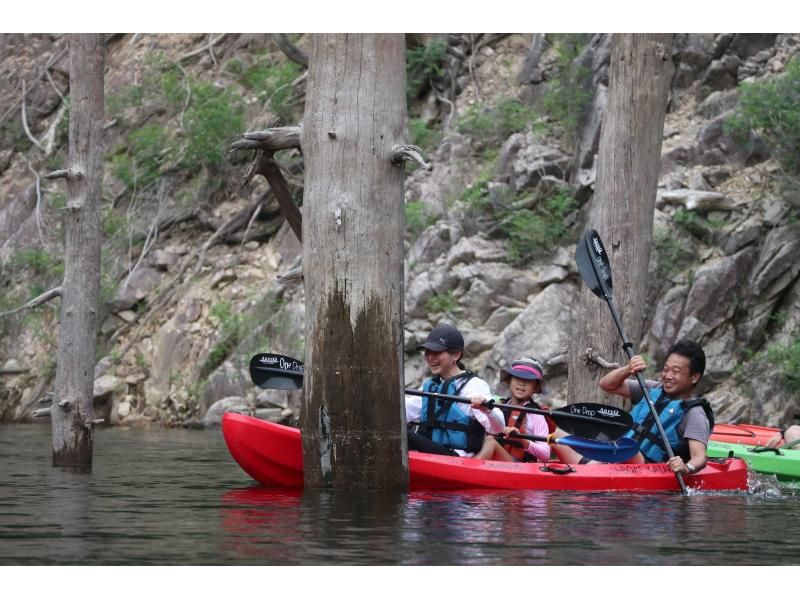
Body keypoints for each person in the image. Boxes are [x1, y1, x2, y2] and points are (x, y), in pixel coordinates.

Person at [553, 339, 713, 476]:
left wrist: (686, 467)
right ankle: (585, 468)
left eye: (676, 371)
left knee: (628, 448)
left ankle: (585, 474)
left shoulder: (694, 413)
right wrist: (628, 369)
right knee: (556, 432)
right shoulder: (650, 388)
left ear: (694, 377)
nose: (668, 375)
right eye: (666, 369)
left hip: (645, 467)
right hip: (611, 458)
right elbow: (606, 385)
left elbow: (699, 458)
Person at [406, 324, 505, 457]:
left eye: (436, 352)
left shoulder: (474, 385)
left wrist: (486, 408)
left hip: (456, 458)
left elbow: (498, 428)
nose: (430, 357)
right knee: (394, 428)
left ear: (456, 355)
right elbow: (403, 413)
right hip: (431, 451)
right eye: (428, 352)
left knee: (404, 435)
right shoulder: (431, 387)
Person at [472, 357, 553, 463]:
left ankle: (464, 472)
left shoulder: (536, 414)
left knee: (491, 441)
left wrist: (521, 439)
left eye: (528, 380)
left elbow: (546, 454)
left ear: (536, 388)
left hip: (521, 468)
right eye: (517, 377)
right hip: (498, 462)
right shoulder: (498, 406)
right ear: (510, 380)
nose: (522, 383)